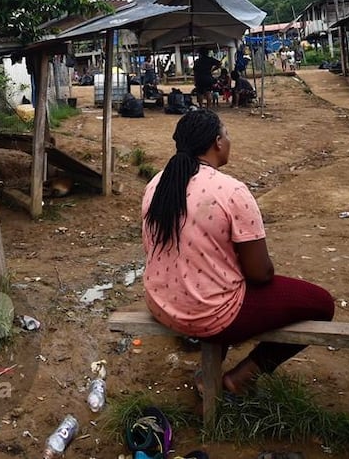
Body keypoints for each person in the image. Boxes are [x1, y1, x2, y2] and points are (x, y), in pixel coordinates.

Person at [142, 109, 335, 398]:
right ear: (218, 142)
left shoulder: (156, 184)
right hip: (205, 313)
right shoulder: (231, 191)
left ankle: (206, 373)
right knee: (321, 304)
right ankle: (242, 376)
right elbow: (260, 273)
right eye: (227, 134)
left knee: (215, 281)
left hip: (161, 304)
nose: (230, 140)